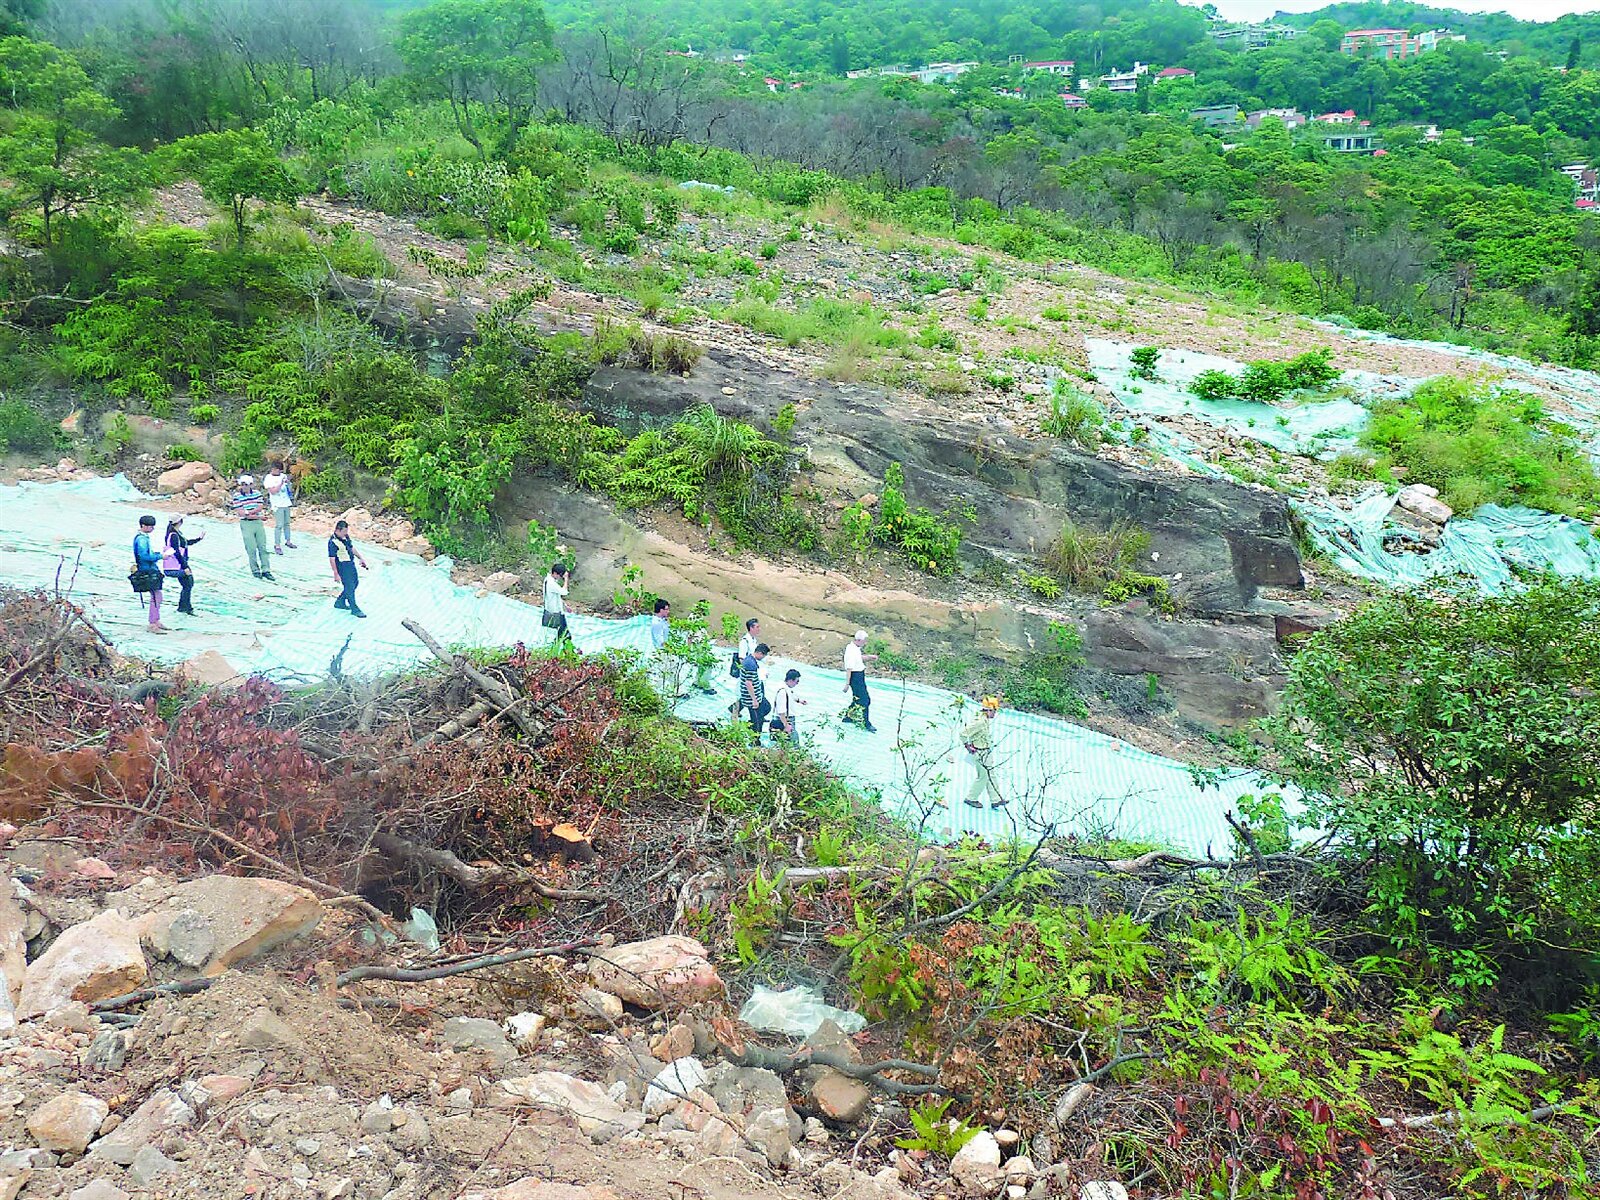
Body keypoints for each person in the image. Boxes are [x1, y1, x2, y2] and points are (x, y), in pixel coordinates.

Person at [961, 696, 1006, 809]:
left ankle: (996, 799)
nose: (995, 713)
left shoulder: (984, 720)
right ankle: (971, 798)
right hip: (980, 753)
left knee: (991, 775)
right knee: (983, 777)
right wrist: (967, 746)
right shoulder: (980, 722)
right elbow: (963, 733)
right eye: (994, 711)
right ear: (989, 710)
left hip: (985, 751)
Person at [230, 474, 273, 580]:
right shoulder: (237, 496)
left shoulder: (257, 494)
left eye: (247, 484)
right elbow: (241, 513)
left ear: (251, 485)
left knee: (262, 547)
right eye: (243, 484)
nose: (244, 486)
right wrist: (256, 515)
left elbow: (260, 507)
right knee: (251, 548)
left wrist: (249, 512)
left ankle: (266, 570)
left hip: (257, 522)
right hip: (247, 523)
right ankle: (255, 570)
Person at [162, 515, 204, 616]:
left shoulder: (175, 534)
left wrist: (198, 539)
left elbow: (185, 543)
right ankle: (185, 608)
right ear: (180, 522)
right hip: (179, 565)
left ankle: (184, 607)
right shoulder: (174, 535)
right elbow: (177, 552)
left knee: (187, 585)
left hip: (178, 564)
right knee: (188, 584)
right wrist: (185, 567)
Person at [328, 519, 369, 618]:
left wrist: (360, 558)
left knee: (355, 583)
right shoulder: (333, 542)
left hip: (350, 564)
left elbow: (351, 547)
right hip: (342, 566)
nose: (345, 533)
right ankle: (354, 608)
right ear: (338, 530)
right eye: (344, 531)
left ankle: (340, 601)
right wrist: (336, 573)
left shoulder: (345, 537)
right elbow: (332, 559)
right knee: (349, 586)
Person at [132, 515, 166, 634]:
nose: (152, 529)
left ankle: (155, 620)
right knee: (156, 596)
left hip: (148, 569)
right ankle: (153, 622)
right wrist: (160, 556)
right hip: (147, 570)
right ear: (144, 526)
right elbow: (144, 556)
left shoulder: (142, 538)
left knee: (156, 596)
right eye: (151, 526)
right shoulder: (142, 539)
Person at [842, 629, 878, 732]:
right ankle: (866, 723)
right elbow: (849, 668)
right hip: (855, 677)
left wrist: (869, 657)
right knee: (865, 700)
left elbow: (858, 658)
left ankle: (848, 717)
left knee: (857, 699)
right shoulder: (851, 651)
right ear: (859, 640)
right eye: (864, 641)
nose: (865, 643)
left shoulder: (854, 648)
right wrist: (847, 684)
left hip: (859, 675)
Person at [262, 458, 296, 554]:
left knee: (287, 523)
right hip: (277, 504)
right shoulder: (268, 478)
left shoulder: (283, 476)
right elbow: (273, 491)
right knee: (279, 525)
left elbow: (288, 489)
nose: (275, 471)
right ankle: (277, 545)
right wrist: (281, 483)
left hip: (286, 502)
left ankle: (288, 541)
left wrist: (288, 483)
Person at [731, 617, 761, 718]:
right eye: (757, 627)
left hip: (752, 670)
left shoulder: (753, 640)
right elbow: (742, 658)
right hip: (746, 672)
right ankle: (734, 711)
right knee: (742, 693)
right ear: (751, 628)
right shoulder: (745, 641)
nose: (759, 629)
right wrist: (746, 671)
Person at [770, 668, 806, 746]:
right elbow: (781, 712)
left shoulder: (786, 688)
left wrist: (799, 700)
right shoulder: (783, 692)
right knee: (793, 744)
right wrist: (786, 725)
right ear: (790, 680)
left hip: (783, 720)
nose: (797, 684)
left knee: (782, 744)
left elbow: (791, 695)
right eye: (797, 681)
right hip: (785, 720)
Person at [741, 642, 771, 735]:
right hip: (751, 698)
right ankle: (755, 738)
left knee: (767, 707)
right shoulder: (750, 664)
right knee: (758, 723)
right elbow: (748, 683)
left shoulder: (751, 660)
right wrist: (754, 699)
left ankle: (752, 723)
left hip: (758, 695)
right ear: (760, 653)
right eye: (763, 656)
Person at [542, 562, 572, 645]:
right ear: (555, 573)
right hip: (555, 612)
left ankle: (557, 648)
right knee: (565, 634)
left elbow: (556, 595)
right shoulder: (551, 583)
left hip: (552, 610)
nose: (560, 577)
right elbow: (564, 592)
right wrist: (566, 579)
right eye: (560, 575)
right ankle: (562, 649)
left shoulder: (548, 580)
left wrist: (565, 606)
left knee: (561, 634)